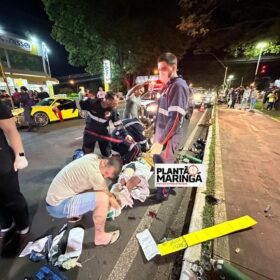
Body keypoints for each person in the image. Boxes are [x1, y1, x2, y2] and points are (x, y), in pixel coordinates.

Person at [46, 154, 122, 246]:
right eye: (106, 173)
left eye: (108, 176)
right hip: (57, 206)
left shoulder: (93, 157)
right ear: (105, 162)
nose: (105, 177)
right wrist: (118, 207)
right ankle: (100, 237)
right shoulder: (95, 174)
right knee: (103, 199)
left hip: (54, 199)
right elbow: (108, 196)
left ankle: (74, 213)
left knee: (94, 191)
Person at [150, 52, 189, 202]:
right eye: (159, 69)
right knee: (161, 164)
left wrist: (161, 141)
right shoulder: (169, 86)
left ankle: (162, 195)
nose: (161, 72)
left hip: (168, 137)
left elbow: (174, 119)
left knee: (164, 166)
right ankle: (168, 187)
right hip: (161, 135)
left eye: (164, 69)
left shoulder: (178, 87)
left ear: (174, 67)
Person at [52, 91, 133, 157]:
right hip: (89, 134)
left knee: (107, 155)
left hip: (103, 135)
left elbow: (118, 125)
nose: (117, 105)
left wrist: (126, 135)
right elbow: (75, 104)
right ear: (108, 100)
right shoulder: (91, 103)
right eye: (115, 103)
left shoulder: (113, 111)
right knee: (87, 156)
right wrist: (59, 107)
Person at [0, 100, 29, 236]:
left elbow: (11, 130)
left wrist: (20, 155)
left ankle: (22, 223)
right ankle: (5, 222)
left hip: (2, 161)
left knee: (11, 197)